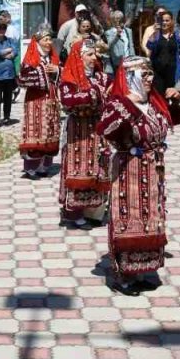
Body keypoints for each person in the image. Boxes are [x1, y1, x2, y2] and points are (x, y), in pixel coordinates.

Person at [98, 56, 180, 293]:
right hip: (129, 170)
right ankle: (124, 276)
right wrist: (130, 105)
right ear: (129, 78)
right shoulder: (119, 103)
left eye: (150, 74)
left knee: (151, 218)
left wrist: (177, 100)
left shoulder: (153, 102)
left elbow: (174, 118)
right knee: (130, 218)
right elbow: (106, 129)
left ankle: (142, 270)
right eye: (143, 75)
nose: (149, 79)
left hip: (154, 170)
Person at [58, 39, 110, 228]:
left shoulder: (101, 77)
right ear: (79, 58)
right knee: (78, 169)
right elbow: (68, 100)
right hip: (78, 132)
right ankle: (75, 213)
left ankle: (94, 212)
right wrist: (95, 94)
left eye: (95, 54)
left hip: (97, 129)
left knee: (98, 167)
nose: (94, 58)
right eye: (89, 54)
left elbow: (112, 93)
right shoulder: (69, 78)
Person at [17, 30, 63, 178]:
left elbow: (66, 76)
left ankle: (44, 165)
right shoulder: (31, 58)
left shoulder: (53, 59)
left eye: (50, 39)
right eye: (45, 40)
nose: (49, 42)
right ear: (37, 42)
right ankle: (31, 167)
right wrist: (42, 72)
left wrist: (57, 70)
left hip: (52, 99)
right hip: (35, 100)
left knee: (50, 131)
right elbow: (22, 79)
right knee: (36, 132)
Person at [145, 10, 180, 97]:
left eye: (167, 20)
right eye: (162, 20)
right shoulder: (157, 35)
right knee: (159, 95)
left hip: (173, 71)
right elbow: (149, 46)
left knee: (172, 95)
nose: (164, 23)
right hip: (158, 72)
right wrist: (155, 32)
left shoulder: (176, 36)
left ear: (171, 21)